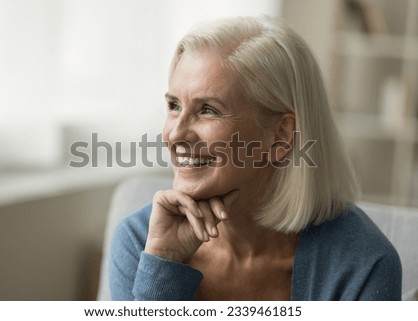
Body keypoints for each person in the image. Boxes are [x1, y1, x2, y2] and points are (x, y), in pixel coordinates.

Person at [109, 15, 402, 300]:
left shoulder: (364, 265)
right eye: (174, 105)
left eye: (207, 109)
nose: (174, 135)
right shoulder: (143, 242)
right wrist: (163, 266)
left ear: (281, 134)